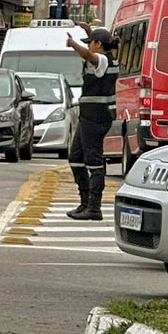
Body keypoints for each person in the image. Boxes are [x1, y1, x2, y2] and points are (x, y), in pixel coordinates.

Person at [65, 26, 117, 220]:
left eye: (92, 43)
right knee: (76, 157)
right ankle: (84, 202)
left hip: (96, 117)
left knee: (93, 161)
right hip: (88, 116)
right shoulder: (103, 58)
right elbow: (91, 51)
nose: (90, 47)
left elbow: (89, 55)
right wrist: (89, 32)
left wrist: (73, 44)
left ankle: (94, 207)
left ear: (99, 45)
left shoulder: (103, 60)